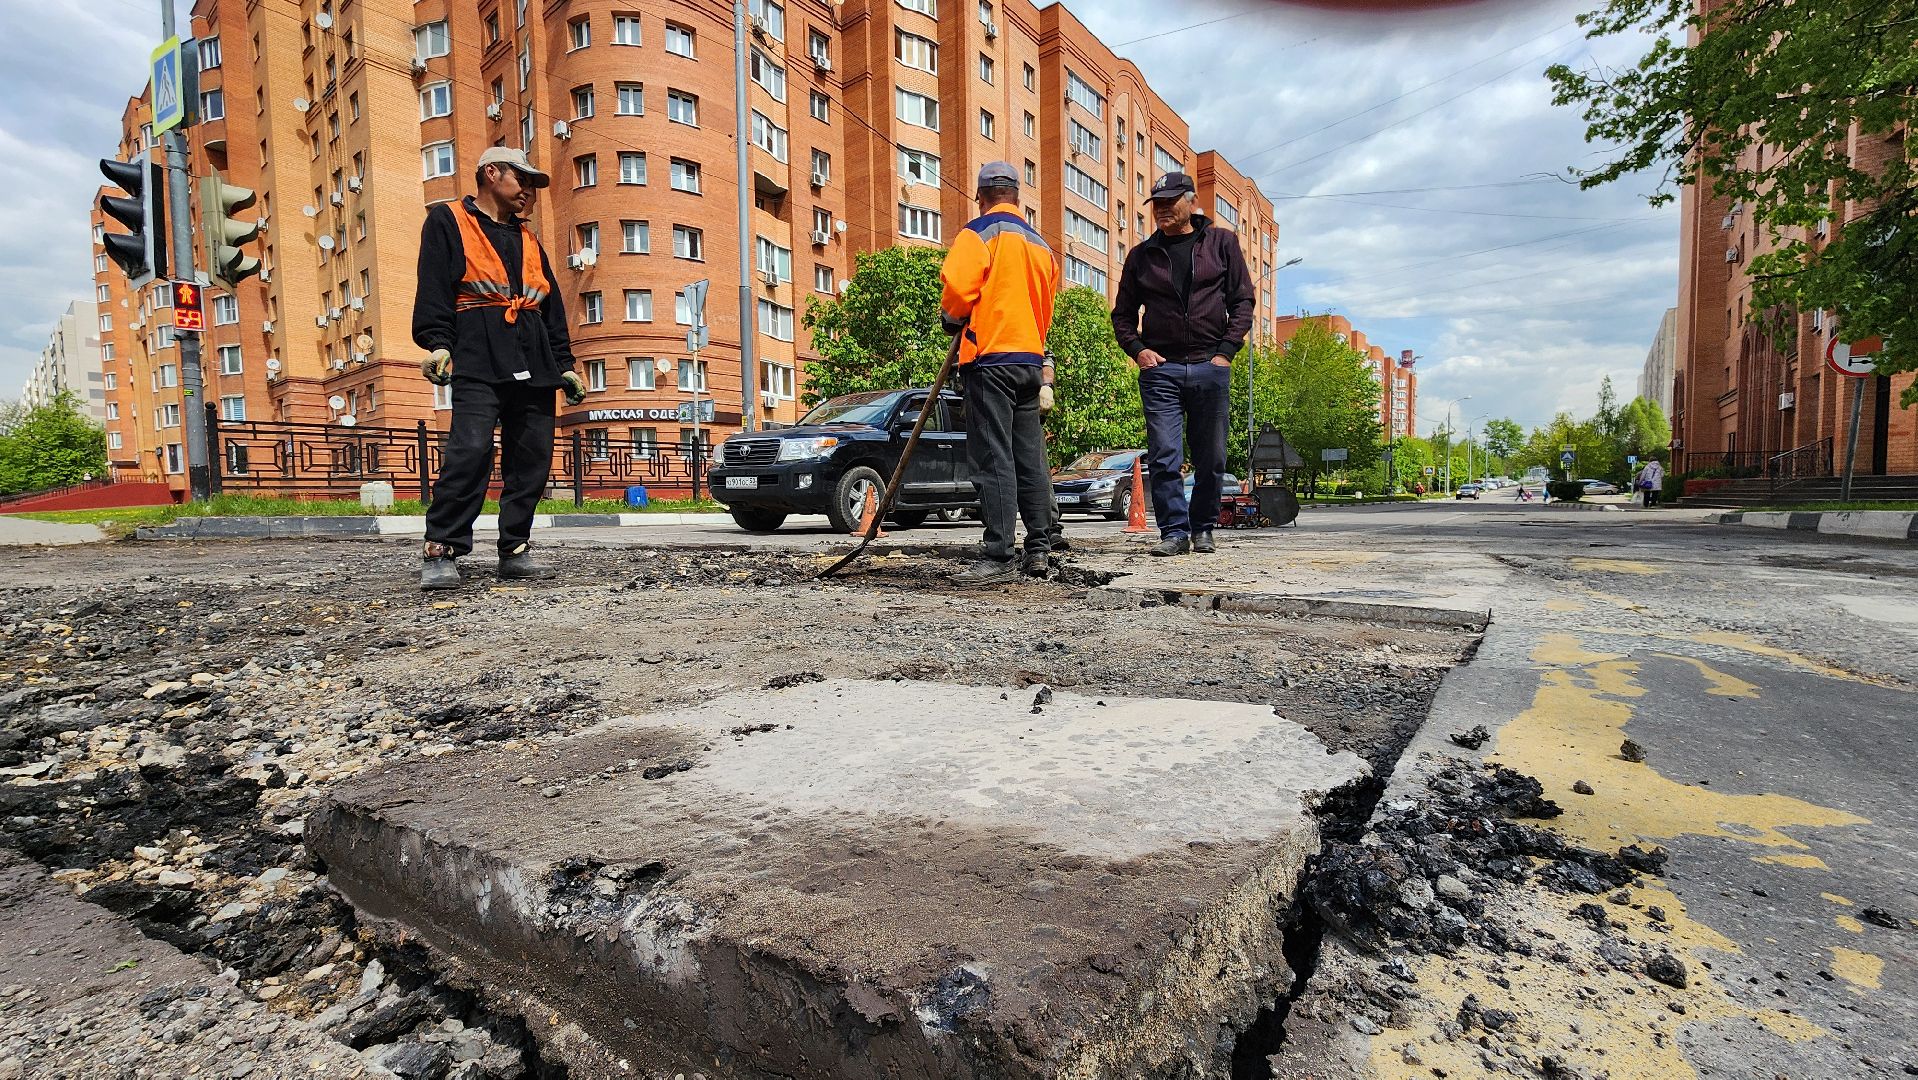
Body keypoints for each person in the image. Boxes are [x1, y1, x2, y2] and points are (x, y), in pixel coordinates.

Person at [413, 146, 586, 591]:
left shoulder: (529, 239)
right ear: (492, 173)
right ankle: (442, 548)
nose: (528, 190)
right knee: (469, 450)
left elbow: (551, 307)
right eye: (522, 179)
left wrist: (565, 365)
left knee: (532, 457)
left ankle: (514, 549)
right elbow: (434, 285)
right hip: (477, 354)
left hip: (533, 357)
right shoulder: (447, 220)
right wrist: (437, 344)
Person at [1111, 171, 1256, 556]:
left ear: (1191, 202)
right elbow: (1122, 315)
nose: (1161, 209)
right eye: (1156, 203)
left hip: (1211, 366)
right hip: (1162, 371)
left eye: (1170, 201)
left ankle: (1203, 527)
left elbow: (1242, 302)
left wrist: (1226, 352)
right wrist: (1138, 350)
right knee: (1164, 455)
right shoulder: (1141, 256)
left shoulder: (1222, 243)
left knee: (1212, 457)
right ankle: (1174, 532)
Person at [938, 162, 1062, 585]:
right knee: (1029, 457)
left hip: (990, 360)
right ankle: (1040, 548)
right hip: (1029, 362)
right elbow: (1045, 311)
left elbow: (957, 290)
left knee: (993, 458)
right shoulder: (1042, 246)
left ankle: (998, 554)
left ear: (980, 196)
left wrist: (953, 319)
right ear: (1017, 198)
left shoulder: (977, 234)